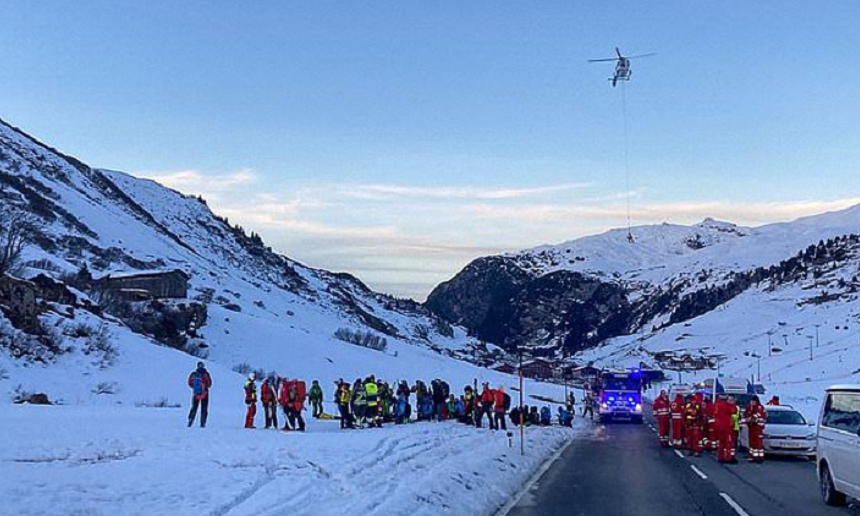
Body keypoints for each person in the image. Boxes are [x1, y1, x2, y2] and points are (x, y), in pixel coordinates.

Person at [187, 361, 212, 428]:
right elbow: (209, 384)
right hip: (205, 393)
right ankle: (203, 423)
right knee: (204, 408)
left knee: (194, 407)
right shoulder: (206, 374)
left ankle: (190, 420)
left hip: (196, 393)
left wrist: (195, 387)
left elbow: (190, 383)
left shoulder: (194, 374)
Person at [715, 395, 739, 463]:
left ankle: (721, 457)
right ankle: (728, 458)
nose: (732, 401)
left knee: (722, 443)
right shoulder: (729, 407)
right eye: (730, 400)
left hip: (721, 427)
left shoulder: (719, 405)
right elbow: (733, 411)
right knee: (728, 444)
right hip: (728, 428)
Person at [745, 396, 767, 463]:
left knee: (758, 444)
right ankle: (752, 456)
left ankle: (759, 457)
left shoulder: (759, 408)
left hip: (758, 428)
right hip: (751, 428)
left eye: (753, 401)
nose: (751, 402)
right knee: (752, 443)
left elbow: (759, 416)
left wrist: (751, 419)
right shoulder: (749, 407)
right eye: (751, 401)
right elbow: (746, 415)